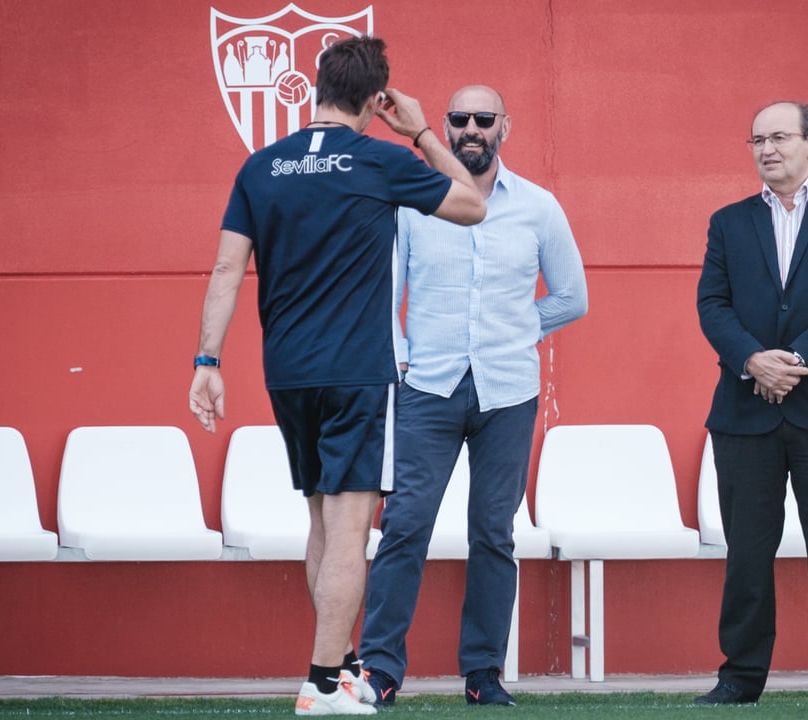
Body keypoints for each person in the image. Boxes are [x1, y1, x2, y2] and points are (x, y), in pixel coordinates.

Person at [187, 36, 486, 717]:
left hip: (288, 373)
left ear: (318, 87)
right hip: (356, 372)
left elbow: (227, 268)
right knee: (350, 527)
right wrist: (420, 134)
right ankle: (323, 683)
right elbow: (473, 204)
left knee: (323, 520)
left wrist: (207, 361)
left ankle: (343, 667)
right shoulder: (380, 158)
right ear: (376, 99)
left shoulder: (261, 165)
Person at [358, 85, 587, 707]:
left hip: (507, 393)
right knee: (404, 526)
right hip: (426, 389)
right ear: (445, 126)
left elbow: (572, 296)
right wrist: (401, 359)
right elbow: (386, 293)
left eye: (484, 119)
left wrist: (516, 329)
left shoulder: (538, 207)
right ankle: (380, 671)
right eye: (459, 118)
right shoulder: (414, 205)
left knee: (493, 533)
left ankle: (483, 674)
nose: (471, 129)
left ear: (504, 127)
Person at [695, 101, 808, 706]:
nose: (767, 149)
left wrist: (796, 361)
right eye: (757, 140)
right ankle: (740, 678)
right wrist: (753, 360)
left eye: (779, 137)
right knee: (747, 555)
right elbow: (712, 305)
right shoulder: (729, 222)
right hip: (745, 414)